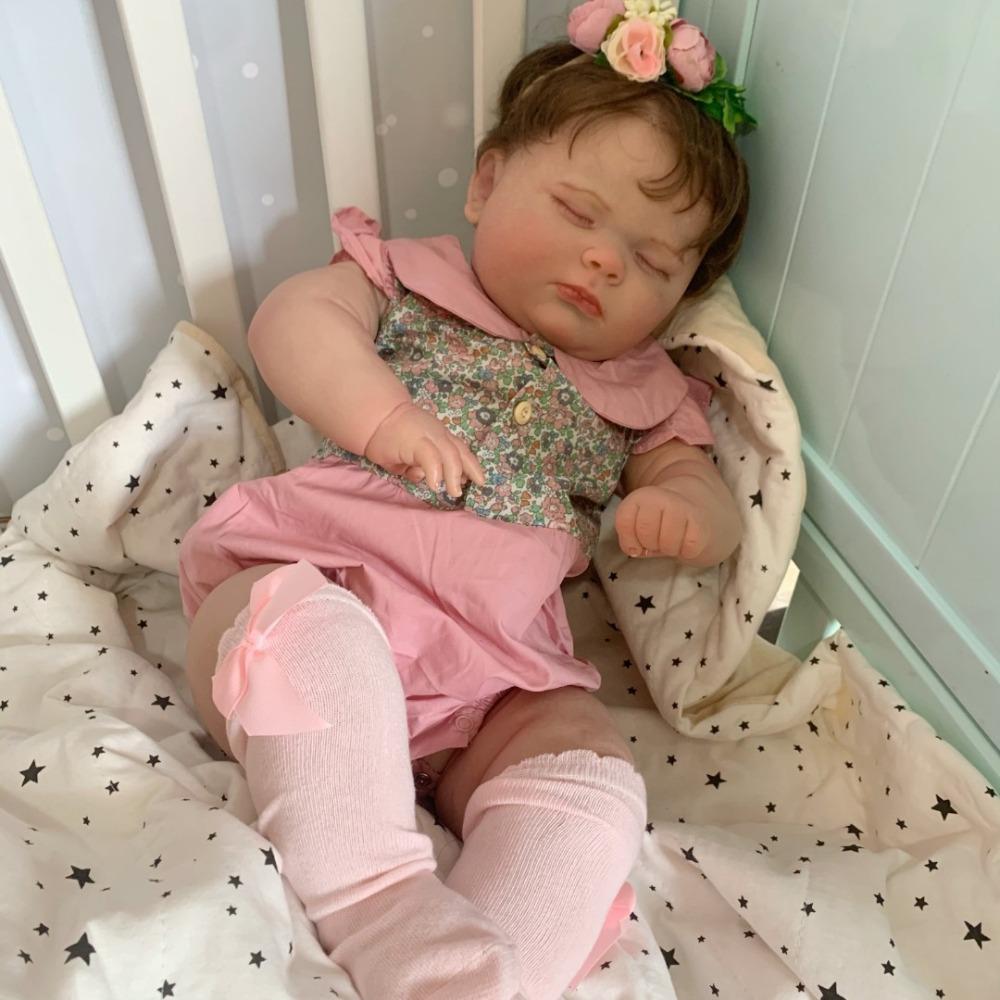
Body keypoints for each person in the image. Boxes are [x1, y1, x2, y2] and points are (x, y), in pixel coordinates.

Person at [179, 2, 754, 996]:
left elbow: (700, 488)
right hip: (326, 577)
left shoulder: (648, 392)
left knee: (591, 765)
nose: (605, 259)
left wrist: (687, 514)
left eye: (655, 262)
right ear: (486, 183)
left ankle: (486, 973)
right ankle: (375, 903)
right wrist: (383, 416)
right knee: (301, 628)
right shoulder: (407, 281)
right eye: (579, 213)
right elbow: (292, 324)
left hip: (495, 675)